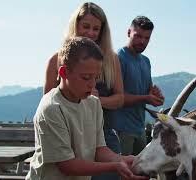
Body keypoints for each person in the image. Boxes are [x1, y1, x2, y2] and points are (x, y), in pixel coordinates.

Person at [26, 37, 147, 180]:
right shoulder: (51, 108)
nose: (92, 85)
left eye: (95, 77)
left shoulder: (93, 103)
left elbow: (99, 149)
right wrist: (114, 166)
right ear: (64, 73)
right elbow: (67, 165)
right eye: (86, 77)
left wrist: (120, 159)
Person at [43, 3, 123, 179]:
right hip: (67, 134)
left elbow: (120, 98)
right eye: (86, 26)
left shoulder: (110, 59)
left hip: (102, 132)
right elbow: (50, 99)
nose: (91, 33)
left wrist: (94, 100)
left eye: (96, 29)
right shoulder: (55, 62)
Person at [113, 16, 165, 156]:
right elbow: (116, 97)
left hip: (139, 129)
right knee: (122, 174)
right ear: (128, 32)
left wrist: (155, 96)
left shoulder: (146, 61)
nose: (142, 41)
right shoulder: (118, 58)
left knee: (140, 174)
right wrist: (146, 98)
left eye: (147, 38)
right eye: (138, 36)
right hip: (120, 130)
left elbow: (147, 92)